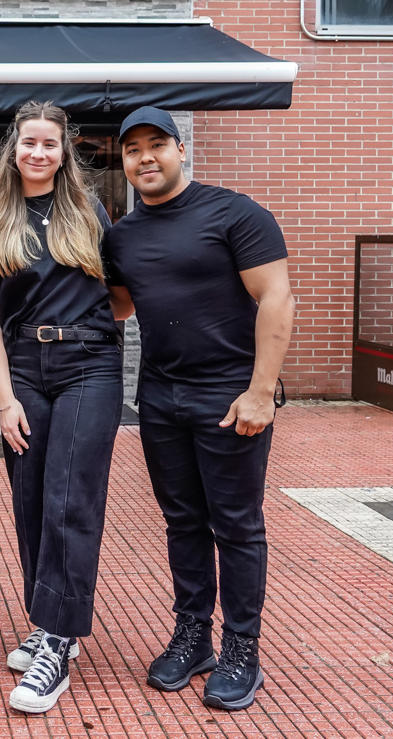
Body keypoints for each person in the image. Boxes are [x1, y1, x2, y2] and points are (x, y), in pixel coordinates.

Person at [105, 106, 295, 712]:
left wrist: (261, 391)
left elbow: (276, 298)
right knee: (182, 522)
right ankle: (194, 636)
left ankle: (243, 647)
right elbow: (120, 307)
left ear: (180, 149)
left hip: (229, 396)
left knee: (237, 525)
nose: (145, 158)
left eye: (156, 144)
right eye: (132, 149)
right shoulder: (122, 235)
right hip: (159, 397)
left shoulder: (236, 213)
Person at [0, 101, 124, 714]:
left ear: (65, 154)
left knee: (69, 495)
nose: (39, 152)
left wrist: (78, 329)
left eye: (50, 144)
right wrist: (4, 401)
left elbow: (122, 299)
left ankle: (58, 642)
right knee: (31, 494)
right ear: (14, 149)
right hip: (24, 368)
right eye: (29, 142)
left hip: (90, 366)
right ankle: (46, 616)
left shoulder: (89, 213)